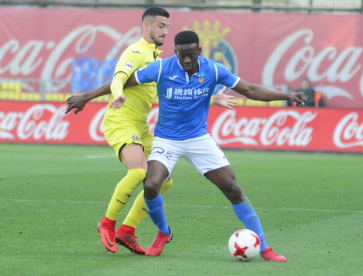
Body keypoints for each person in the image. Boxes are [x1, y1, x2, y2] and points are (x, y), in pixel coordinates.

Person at [109, 30, 306, 261]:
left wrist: (288, 96)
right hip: (166, 139)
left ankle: (264, 248)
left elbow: (250, 90)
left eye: (191, 55)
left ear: (199, 51)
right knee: (151, 185)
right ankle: (163, 233)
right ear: (175, 53)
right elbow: (122, 81)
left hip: (197, 139)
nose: (186, 60)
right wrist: (87, 96)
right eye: (182, 55)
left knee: (232, 188)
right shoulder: (162, 67)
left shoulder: (213, 69)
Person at [65, 7, 236, 255]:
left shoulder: (157, 58)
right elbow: (118, 78)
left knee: (163, 182)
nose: (166, 31)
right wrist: (108, 94)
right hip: (121, 120)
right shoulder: (136, 51)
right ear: (147, 26)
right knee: (139, 171)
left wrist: (211, 99)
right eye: (161, 26)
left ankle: (127, 230)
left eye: (167, 26)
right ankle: (107, 223)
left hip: (141, 126)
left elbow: (169, 94)